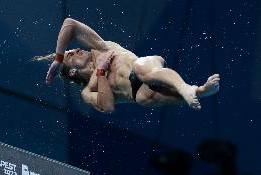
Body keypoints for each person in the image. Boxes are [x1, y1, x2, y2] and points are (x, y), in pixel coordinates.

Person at [42, 18, 220, 113]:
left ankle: (185, 87)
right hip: (140, 93)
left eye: (73, 49)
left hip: (148, 66)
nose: (76, 51)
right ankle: (201, 91)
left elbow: (70, 24)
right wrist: (101, 71)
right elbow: (107, 106)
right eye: (70, 55)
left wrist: (59, 58)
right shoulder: (90, 90)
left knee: (142, 69)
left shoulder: (99, 47)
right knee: (144, 99)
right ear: (73, 71)